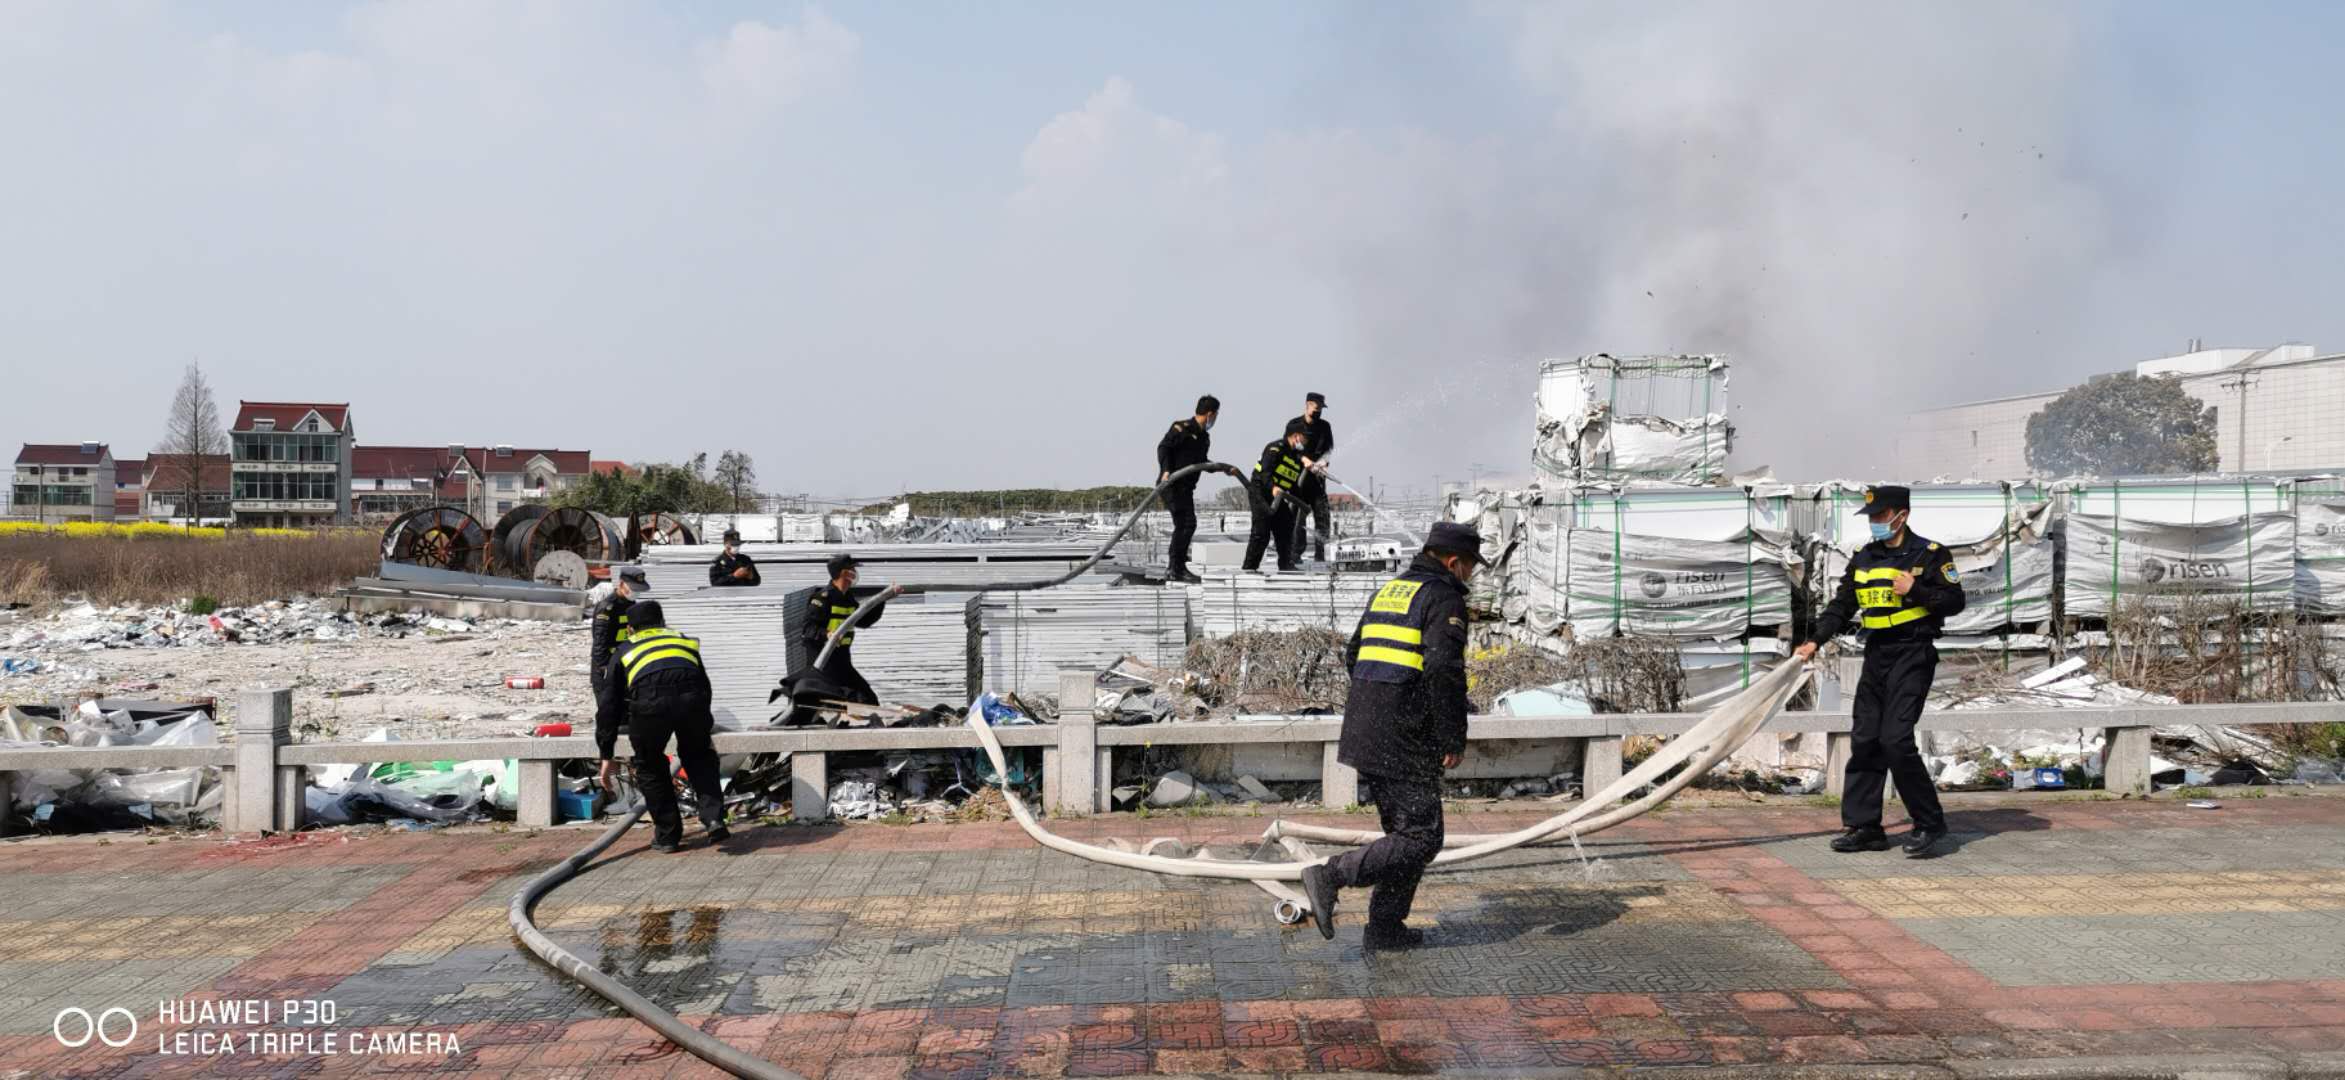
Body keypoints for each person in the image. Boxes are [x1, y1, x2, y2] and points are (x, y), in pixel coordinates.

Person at [1300, 521, 1482, 949]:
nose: (1472, 575)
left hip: (1367, 726)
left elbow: (1353, 655)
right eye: (1471, 566)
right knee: (1421, 836)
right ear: (1453, 563)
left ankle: (1385, 929)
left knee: (1404, 834)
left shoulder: (1390, 590)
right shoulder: (1443, 597)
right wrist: (1451, 735)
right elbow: (1443, 669)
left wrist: (1379, 700)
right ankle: (1330, 875)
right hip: (1406, 735)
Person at [1794, 484, 1965, 859]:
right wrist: (1814, 641)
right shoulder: (1865, 557)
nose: (1874, 522)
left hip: (1913, 653)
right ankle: (1865, 828)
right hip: (1876, 654)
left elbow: (1955, 601)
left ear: (1902, 515)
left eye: (1880, 515)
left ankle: (1929, 823)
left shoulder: (1929, 554)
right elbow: (1841, 607)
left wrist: (1916, 589)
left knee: (1895, 740)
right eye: (1871, 516)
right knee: (1866, 738)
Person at [595, 600, 728, 852]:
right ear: (663, 622)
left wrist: (606, 751)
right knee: (700, 757)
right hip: (692, 701)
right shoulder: (683, 641)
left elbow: (608, 704)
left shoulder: (625, 649)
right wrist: (704, 723)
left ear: (630, 628)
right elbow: (704, 684)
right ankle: (714, 819)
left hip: (650, 706)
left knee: (650, 765)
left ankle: (668, 836)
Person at [798, 553, 884, 706]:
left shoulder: (848, 598)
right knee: (850, 700)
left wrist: (881, 602)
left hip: (842, 660)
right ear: (843, 573)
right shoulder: (822, 598)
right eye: (852, 569)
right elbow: (807, 629)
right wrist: (827, 634)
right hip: (824, 662)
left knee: (867, 698)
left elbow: (863, 621)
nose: (855, 573)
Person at [1155, 394, 1220, 584]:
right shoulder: (1181, 428)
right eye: (1216, 415)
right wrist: (1166, 470)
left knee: (1186, 524)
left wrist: (1219, 468)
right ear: (1210, 414)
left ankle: (1177, 565)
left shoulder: (1204, 437)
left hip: (1186, 488)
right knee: (1186, 524)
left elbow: (1201, 462)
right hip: (1171, 485)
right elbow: (1163, 448)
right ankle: (1176, 568)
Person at [1242, 419, 1310, 572]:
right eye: (1305, 437)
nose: (1306, 441)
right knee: (1261, 531)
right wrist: (1273, 487)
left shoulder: (1296, 457)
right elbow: (1265, 473)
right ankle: (1249, 568)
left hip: (1277, 497)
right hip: (1260, 492)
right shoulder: (1275, 448)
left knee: (1286, 525)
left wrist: (1302, 503)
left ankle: (1286, 564)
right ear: (1296, 436)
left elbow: (1292, 483)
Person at [1287, 392, 1335, 562]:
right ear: (1308, 405)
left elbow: (1328, 449)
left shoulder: (1325, 426)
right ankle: (1295, 554)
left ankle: (1321, 554)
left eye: (1321, 408)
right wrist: (1304, 460)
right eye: (1316, 408)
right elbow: (1290, 449)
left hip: (1317, 480)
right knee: (1297, 518)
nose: (1318, 411)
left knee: (1322, 515)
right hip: (1297, 480)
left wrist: (1323, 462)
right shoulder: (1294, 425)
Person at [590, 565, 651, 698]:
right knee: (608, 707)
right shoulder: (607, 608)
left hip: (624, 662)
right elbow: (599, 642)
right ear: (622, 584)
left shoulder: (631, 604)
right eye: (633, 589)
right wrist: (604, 668)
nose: (636, 593)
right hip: (607, 665)